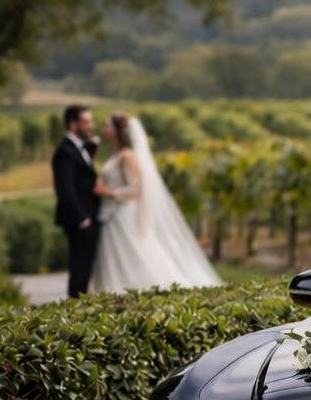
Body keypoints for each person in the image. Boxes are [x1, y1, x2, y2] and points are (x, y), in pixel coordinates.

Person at [90, 112, 221, 293]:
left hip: (122, 212)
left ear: (118, 131)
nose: (104, 129)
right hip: (111, 212)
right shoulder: (117, 154)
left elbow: (135, 188)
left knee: (135, 253)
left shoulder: (127, 156)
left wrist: (107, 192)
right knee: (120, 256)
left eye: (107, 125)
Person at [51, 105, 102, 299]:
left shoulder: (81, 147)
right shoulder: (65, 152)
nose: (91, 126)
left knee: (84, 268)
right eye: (86, 122)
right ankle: (75, 307)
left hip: (87, 217)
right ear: (73, 125)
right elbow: (65, 188)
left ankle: (79, 305)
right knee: (79, 269)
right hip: (80, 220)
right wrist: (82, 219)